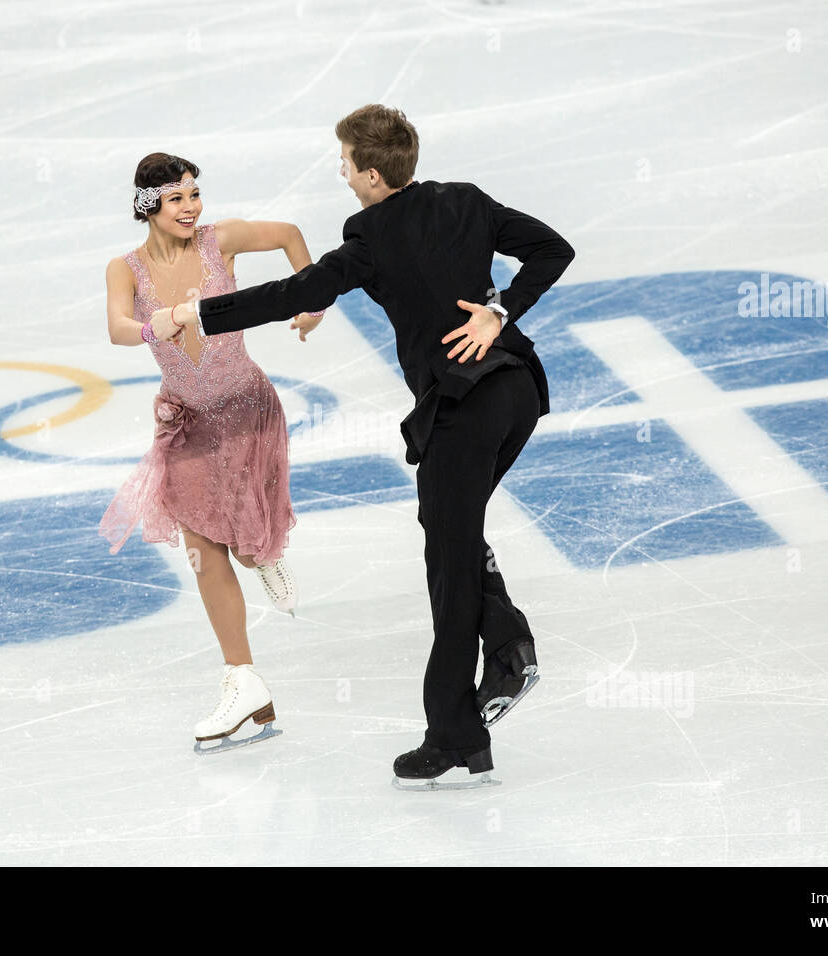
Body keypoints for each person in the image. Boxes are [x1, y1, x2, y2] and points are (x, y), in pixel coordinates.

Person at [156, 106, 575, 786]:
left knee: (449, 563)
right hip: (519, 390)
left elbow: (294, 291)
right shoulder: (465, 201)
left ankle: (460, 722)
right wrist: (501, 312)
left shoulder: (370, 235)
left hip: (464, 409)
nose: (341, 172)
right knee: (452, 536)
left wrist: (195, 312)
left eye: (345, 162)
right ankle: (502, 650)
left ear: (372, 175)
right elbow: (554, 248)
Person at [99, 152, 326, 754]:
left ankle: (264, 553)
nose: (191, 207)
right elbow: (119, 327)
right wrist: (156, 328)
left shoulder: (218, 243)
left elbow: (290, 237)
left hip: (248, 411)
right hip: (188, 423)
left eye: (195, 194)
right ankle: (242, 680)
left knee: (246, 545)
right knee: (200, 547)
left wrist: (314, 302)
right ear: (151, 207)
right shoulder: (125, 269)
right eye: (177, 199)